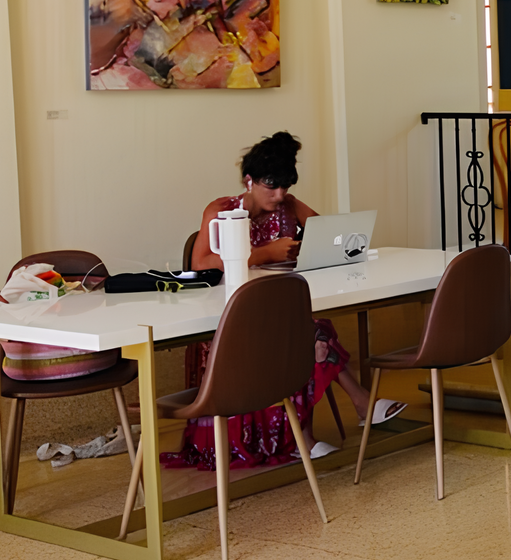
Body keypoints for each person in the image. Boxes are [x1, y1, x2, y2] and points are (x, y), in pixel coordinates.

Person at [165, 132, 404, 469]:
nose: (279, 195)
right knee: (306, 333)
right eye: (270, 187)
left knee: (309, 329)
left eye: (285, 187)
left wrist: (312, 246)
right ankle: (346, 413)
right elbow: (200, 264)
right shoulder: (222, 211)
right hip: (233, 314)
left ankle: (310, 432)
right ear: (249, 181)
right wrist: (264, 253)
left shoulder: (289, 206)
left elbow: (330, 234)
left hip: (275, 305)